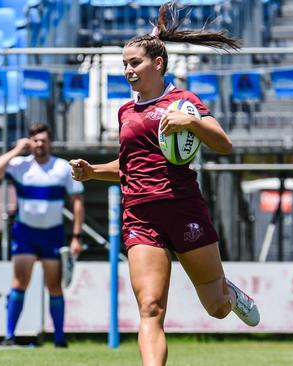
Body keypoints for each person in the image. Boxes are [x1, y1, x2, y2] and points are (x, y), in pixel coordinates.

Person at [70, 4, 259, 365]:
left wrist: (191, 124)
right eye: (125, 63)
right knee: (151, 307)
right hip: (140, 217)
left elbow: (223, 144)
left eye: (135, 63)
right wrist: (93, 171)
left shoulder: (184, 103)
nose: (128, 70)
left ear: (157, 64)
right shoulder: (126, 111)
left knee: (216, 308)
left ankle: (230, 294)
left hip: (183, 208)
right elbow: (128, 167)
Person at [0, 123, 84, 348]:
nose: (40, 144)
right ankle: (9, 336)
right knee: (19, 282)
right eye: (36, 140)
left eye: (43, 140)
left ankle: (59, 338)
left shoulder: (61, 168)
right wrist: (15, 150)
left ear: (50, 142)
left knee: (54, 286)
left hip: (52, 234)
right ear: (30, 142)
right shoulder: (20, 165)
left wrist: (76, 235)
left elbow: (77, 202)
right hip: (26, 234)